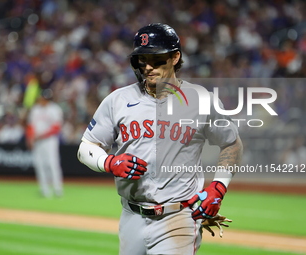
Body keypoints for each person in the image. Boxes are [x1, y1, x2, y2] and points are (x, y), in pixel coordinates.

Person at [77, 23, 243, 255]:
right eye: (141, 60)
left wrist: (218, 187)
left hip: (179, 217)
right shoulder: (118, 100)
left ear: (175, 57)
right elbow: (87, 146)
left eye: (156, 59)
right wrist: (108, 162)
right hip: (131, 216)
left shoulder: (201, 100)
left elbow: (232, 143)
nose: (147, 66)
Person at [26, 88, 64, 198]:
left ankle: (58, 189)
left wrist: (40, 136)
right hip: (38, 141)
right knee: (39, 164)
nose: (42, 100)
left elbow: (56, 128)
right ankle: (44, 189)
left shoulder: (55, 109)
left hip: (50, 140)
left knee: (52, 163)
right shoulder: (35, 109)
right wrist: (30, 137)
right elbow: (31, 125)